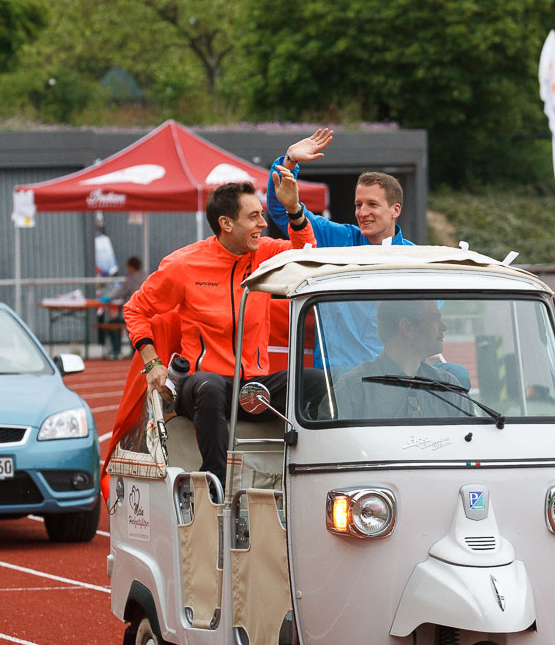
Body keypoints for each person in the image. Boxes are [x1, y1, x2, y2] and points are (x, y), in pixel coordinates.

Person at [124, 177, 325, 489]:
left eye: (262, 214)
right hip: (201, 385)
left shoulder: (263, 253)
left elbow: (307, 253)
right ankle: (215, 483)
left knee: (317, 381)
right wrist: (152, 363)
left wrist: (294, 209)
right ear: (226, 223)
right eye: (254, 216)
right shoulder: (184, 264)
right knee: (211, 385)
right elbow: (135, 309)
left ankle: (313, 472)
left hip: (252, 386)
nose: (263, 223)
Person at [267, 129, 414, 372]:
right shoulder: (337, 238)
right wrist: (289, 161)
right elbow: (284, 209)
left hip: (392, 378)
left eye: (372, 204)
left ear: (395, 210)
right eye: (358, 204)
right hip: (334, 376)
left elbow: (425, 323)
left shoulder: (416, 260)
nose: (362, 212)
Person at [326, 299, 472, 420]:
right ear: (407, 327)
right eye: (435, 319)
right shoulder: (351, 391)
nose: (444, 327)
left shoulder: (450, 387)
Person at [105, 256, 146, 359]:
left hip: (132, 312)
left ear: (131, 267)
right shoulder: (146, 276)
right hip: (145, 312)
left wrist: (107, 298)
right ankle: (137, 353)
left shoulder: (131, 278)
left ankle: (116, 351)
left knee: (113, 323)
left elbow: (120, 292)